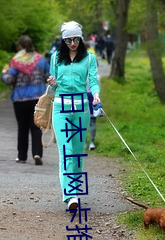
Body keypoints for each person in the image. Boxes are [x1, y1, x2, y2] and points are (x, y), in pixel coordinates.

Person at [47, 21, 100, 210]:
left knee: (77, 154)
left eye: (75, 39)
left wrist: (96, 94)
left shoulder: (89, 58)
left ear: (81, 38)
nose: (72, 43)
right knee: (66, 152)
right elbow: (53, 85)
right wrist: (52, 82)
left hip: (81, 109)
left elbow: (93, 80)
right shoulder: (55, 58)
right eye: (68, 40)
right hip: (60, 109)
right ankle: (70, 196)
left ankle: (75, 190)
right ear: (63, 40)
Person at [1, 35, 50, 165]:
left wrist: (4, 73)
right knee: (36, 127)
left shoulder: (16, 61)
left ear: (20, 47)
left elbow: (9, 80)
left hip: (20, 99)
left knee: (22, 128)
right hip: (37, 99)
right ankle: (37, 153)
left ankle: (22, 156)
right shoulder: (41, 60)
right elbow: (48, 77)